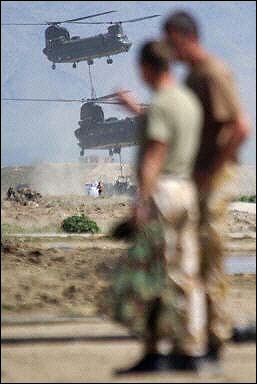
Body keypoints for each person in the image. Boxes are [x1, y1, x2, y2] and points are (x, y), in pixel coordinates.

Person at [107, 40, 206, 373]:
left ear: (148, 68)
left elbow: (155, 154)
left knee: (152, 273)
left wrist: (141, 201)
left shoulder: (162, 104)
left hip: (162, 192)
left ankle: (155, 351)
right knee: (185, 271)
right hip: (185, 190)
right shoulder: (187, 103)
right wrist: (137, 111)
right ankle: (192, 349)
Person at [163, 10, 251, 362]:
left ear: (186, 37)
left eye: (171, 39)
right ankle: (216, 327)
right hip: (200, 174)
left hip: (214, 176)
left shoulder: (212, 73)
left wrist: (211, 170)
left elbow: (240, 127)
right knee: (199, 253)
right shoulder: (194, 76)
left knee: (209, 251)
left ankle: (215, 338)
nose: (169, 48)